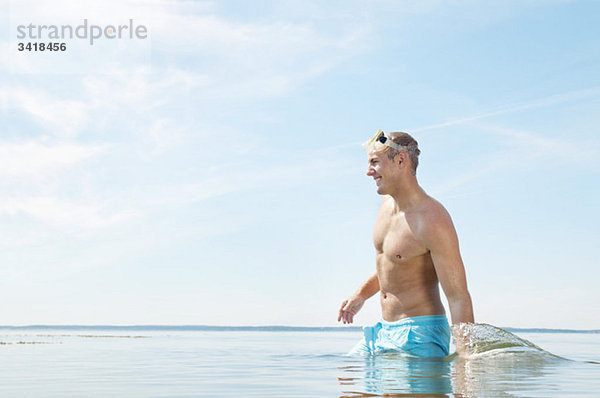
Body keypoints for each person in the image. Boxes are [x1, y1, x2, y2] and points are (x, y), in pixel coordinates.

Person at [338, 130, 474, 357]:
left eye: (374, 163)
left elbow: (458, 296)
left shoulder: (432, 219)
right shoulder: (385, 205)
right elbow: (394, 262)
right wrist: (360, 295)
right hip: (383, 331)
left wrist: (466, 363)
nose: (368, 172)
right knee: (345, 380)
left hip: (420, 336)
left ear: (401, 160)